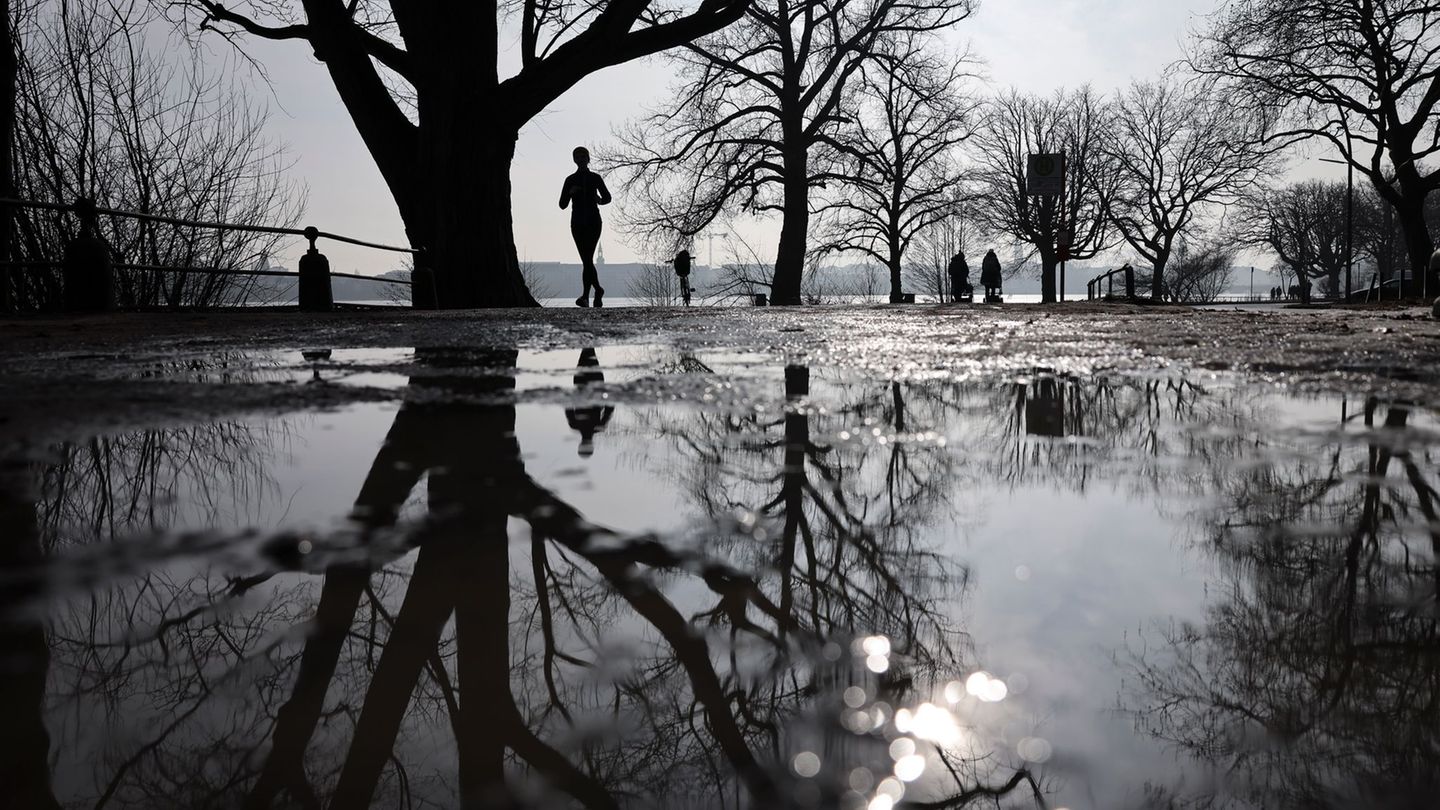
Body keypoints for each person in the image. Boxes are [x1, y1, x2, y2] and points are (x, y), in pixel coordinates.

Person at [559, 147, 612, 307]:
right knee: (586, 260)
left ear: (588, 159)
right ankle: (596, 291)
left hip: (593, 222)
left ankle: (586, 296)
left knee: (587, 259)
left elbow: (607, 197)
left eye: (583, 156)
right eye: (578, 157)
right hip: (577, 223)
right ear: (574, 160)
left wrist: (599, 200)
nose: (581, 159)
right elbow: (562, 204)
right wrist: (570, 192)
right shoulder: (570, 180)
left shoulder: (595, 178)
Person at [565, 348, 614, 457]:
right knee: (585, 356)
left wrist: (604, 395)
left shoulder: (599, 426)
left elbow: (610, 407)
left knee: (591, 357)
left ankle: (588, 342)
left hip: (595, 386)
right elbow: (568, 406)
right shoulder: (575, 425)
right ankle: (588, 342)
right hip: (581, 386)